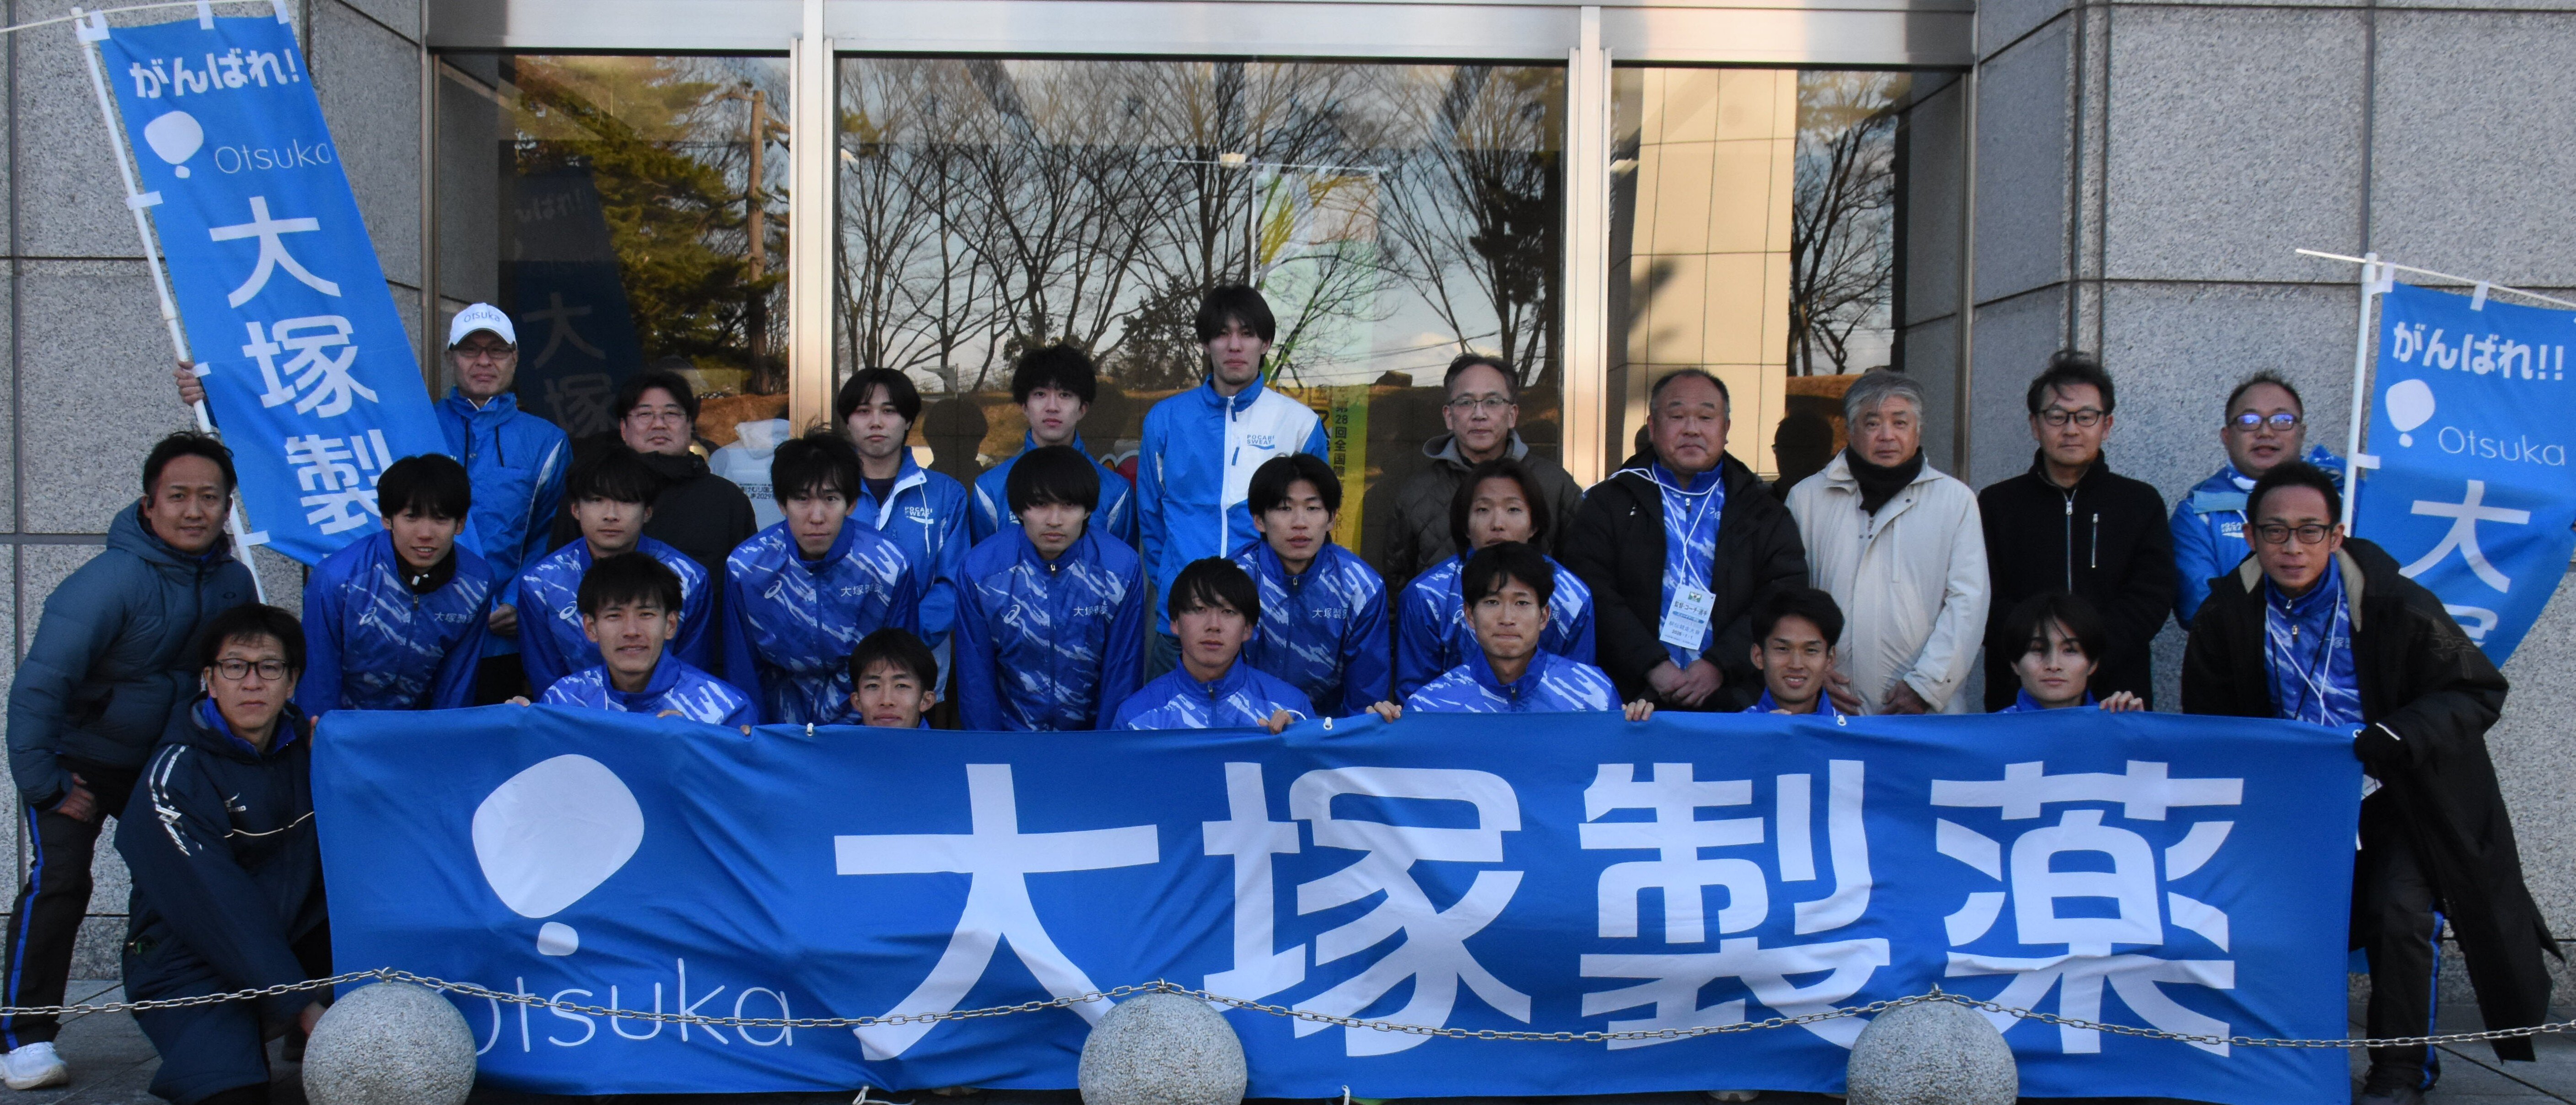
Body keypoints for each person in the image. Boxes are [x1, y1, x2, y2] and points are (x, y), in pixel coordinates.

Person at [2183, 462, 2552, 1105]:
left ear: (2336, 535)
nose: (2292, 547)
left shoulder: (2395, 602)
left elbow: (2476, 691)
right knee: (2261, 919)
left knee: (2399, 912)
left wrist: (2397, 733)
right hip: (2293, 805)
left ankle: (2400, 1073)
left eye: (2309, 530)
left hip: (2400, 795)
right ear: (2250, 535)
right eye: (2274, 531)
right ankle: (2271, 1063)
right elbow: (2208, 724)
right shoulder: (2224, 614)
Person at [0, 433, 258, 1089]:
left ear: (228, 506)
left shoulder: (233, 581)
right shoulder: (109, 581)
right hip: (78, 760)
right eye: (178, 496)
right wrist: (46, 783)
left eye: (210, 498)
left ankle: (192, 1025)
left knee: (184, 886)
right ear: (149, 505)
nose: (194, 511)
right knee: (60, 880)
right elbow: (38, 687)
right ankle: (25, 1036)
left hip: (161, 763)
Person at [177, 305, 567, 703]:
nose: (484, 361)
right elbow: (307, 431)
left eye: (497, 350)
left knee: (471, 733)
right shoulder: (410, 423)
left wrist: (518, 599)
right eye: (470, 349)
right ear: (450, 356)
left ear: (515, 357)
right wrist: (218, 404)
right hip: (396, 626)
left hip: (500, 634)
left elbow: (548, 535)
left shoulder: (548, 442)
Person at [115, 604, 328, 1105]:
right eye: (235, 667)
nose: (252, 683)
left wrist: (505, 718)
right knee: (232, 1093)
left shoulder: (314, 750)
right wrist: (305, 1007)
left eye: (269, 667)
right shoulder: (174, 775)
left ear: (292, 682)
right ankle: (272, 1026)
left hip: (295, 941)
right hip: (192, 960)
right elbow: (221, 908)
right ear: (209, 681)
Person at [1564, 370, 1807, 712]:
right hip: (1629, 702)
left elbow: (1782, 596)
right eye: (1677, 416)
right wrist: (1651, 664)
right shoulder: (1609, 503)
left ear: (1726, 428)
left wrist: (1718, 665)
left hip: (1736, 703)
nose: (1692, 429)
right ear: (1652, 427)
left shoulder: (1762, 511)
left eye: (1706, 418)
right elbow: (1591, 590)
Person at [1136, 285, 1330, 675]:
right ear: (1206, 344)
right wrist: (1176, 586)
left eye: (1247, 333)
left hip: (1266, 622)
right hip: (1182, 622)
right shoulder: (1165, 419)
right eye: (1222, 333)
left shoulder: (1299, 423)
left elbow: (1313, 521)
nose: (1235, 345)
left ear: (1266, 343)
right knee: (1171, 716)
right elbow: (1151, 517)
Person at [1977, 351, 2174, 710]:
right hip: (2019, 691)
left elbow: (2152, 595)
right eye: (2057, 417)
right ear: (2035, 425)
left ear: (2106, 425)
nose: (2071, 430)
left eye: (2085, 417)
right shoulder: (1996, 504)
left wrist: (2087, 654)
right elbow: (1982, 597)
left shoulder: (2140, 502)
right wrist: (2036, 651)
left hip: (2116, 693)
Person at [1785, 370, 1987, 716]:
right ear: (1850, 430)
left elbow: (1968, 603)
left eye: (1900, 423)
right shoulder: (1807, 498)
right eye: (1872, 423)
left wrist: (1926, 686)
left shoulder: (1955, 501)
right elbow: (1790, 597)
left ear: (1917, 430)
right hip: (1831, 707)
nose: (1887, 436)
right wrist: (1811, 673)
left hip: (1924, 713)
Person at [722, 430, 921, 725]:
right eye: (802, 499)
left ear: (851, 504)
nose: (816, 517)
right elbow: (742, 666)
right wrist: (752, 734)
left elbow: (902, 664)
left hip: (862, 723)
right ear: (782, 504)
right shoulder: (747, 567)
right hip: (779, 723)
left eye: (830, 499)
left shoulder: (888, 565)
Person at [954, 446, 1149, 731]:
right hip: (1011, 737)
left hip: (1090, 740)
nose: (1054, 520)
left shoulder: (1120, 569)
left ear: (1088, 510)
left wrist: (1108, 749)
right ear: (1019, 509)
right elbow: (975, 679)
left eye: (1069, 505)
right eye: (1040, 504)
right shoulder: (981, 570)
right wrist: (990, 750)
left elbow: (1123, 674)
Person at [296, 453, 494, 717]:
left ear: (460, 524)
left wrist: (445, 735)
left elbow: (458, 682)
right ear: (387, 519)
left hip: (418, 726)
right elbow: (318, 676)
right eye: (411, 517)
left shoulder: (476, 583)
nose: (425, 534)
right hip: (345, 723)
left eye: (440, 519)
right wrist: (322, 734)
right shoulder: (338, 579)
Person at [1370, 353, 1583, 592]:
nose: (1479, 414)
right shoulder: (1416, 493)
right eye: (1466, 402)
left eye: (1492, 402)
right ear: (1449, 416)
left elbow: (1578, 583)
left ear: (1512, 414)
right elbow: (1398, 586)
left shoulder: (1555, 485)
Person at [1393, 458, 1594, 700]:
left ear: (1534, 525)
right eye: (1483, 510)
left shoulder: (1573, 597)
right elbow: (1416, 700)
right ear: (1465, 525)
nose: (1498, 524)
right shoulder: (1427, 596)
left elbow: (1580, 693)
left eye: (1513, 510)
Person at [517, 447, 714, 695]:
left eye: (626, 501)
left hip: (668, 715)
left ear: (648, 512)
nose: (611, 515)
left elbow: (693, 676)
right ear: (575, 509)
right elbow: (547, 682)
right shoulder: (541, 583)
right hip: (574, 715)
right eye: (597, 500)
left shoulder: (690, 578)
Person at [550, 367, 759, 583]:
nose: (659, 424)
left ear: (690, 425)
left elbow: (745, 584)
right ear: (623, 428)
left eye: (671, 414)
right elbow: (559, 577)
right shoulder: (589, 491)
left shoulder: (726, 499)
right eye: (645, 414)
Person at [1397, 543, 1651, 719]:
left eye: (1522, 603)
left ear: (1544, 616)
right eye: (1492, 602)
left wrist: (1639, 731)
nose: (1507, 619)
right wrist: (1382, 727)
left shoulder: (1594, 696)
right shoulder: (1431, 706)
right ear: (1470, 615)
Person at [2170, 372, 2344, 626]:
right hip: (2240, 648)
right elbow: (2199, 611)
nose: (2265, 432)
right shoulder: (2198, 513)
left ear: (2302, 432)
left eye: (2282, 420)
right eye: (2248, 421)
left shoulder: (2345, 498)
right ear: (2227, 436)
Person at [1232, 455, 1389, 717]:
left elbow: (1366, 697)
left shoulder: (1361, 588)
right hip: (1251, 724)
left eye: (1313, 508)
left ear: (1332, 518)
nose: (1300, 523)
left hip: (1327, 728)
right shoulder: (1234, 580)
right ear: (1259, 520)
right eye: (1284, 508)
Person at [838, 367, 971, 672]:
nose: (876, 422)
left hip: (917, 664)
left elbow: (954, 583)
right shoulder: (828, 493)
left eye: (889, 411)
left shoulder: (945, 494)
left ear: (909, 420)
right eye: (863, 411)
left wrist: (903, 641)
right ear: (847, 421)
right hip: (840, 663)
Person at [536, 553, 757, 727]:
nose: (631, 631)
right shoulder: (562, 702)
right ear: (591, 628)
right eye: (614, 616)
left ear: (671, 624)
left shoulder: (726, 709)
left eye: (646, 614)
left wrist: (694, 745)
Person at [1112, 559, 1312, 733]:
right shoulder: (1136, 718)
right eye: (1199, 609)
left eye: (1229, 612)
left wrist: (1296, 742)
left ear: (1248, 629)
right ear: (1174, 623)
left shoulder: (1292, 709)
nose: (1214, 625)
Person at [971, 345, 1136, 547]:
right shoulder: (990, 489)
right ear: (1024, 406)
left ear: (1082, 409)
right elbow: (980, 563)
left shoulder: (1116, 492)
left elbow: (1124, 564)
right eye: (1040, 394)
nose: (1052, 407)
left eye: (1065, 395)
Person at [1991, 593, 2145, 712]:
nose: (2053, 665)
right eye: (2038, 650)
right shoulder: (1991, 735)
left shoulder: (2117, 726)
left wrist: (2138, 732)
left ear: (2093, 664)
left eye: (2070, 650)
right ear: (2015, 663)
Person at [1744, 587, 1845, 718]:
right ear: (1758, 656)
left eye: (1811, 650)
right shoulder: (1734, 730)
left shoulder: (1851, 732)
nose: (1796, 665)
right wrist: (1763, 731)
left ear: (1830, 659)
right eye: (1783, 649)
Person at [848, 628, 941, 729]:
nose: (886, 701)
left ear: (926, 700)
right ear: (857, 701)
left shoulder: (945, 741)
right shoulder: (841, 741)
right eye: (873, 686)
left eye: (902, 686)